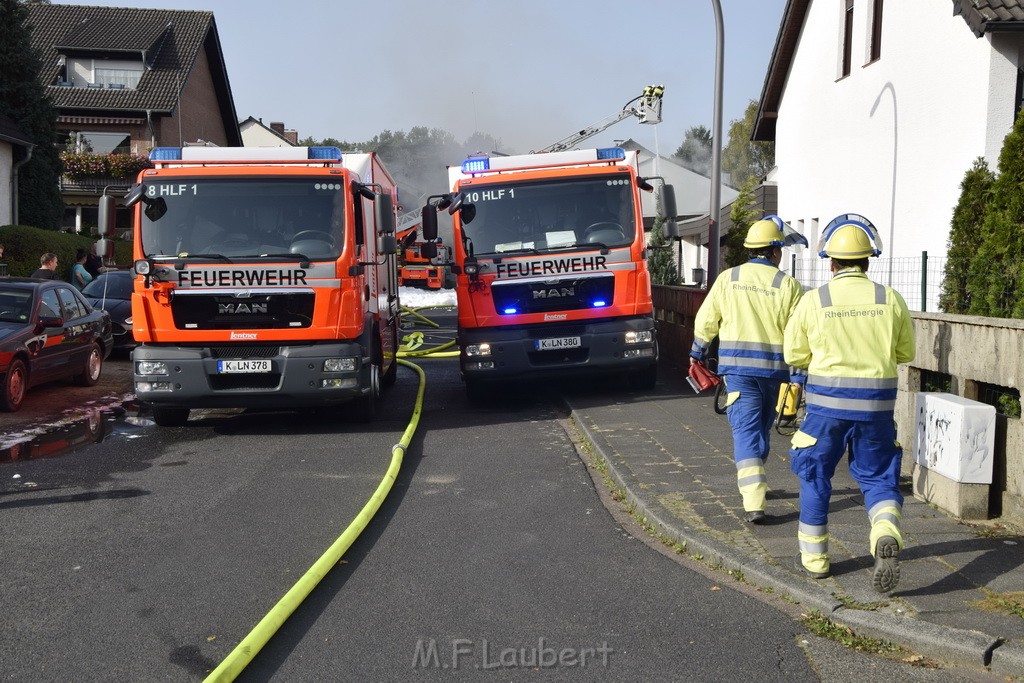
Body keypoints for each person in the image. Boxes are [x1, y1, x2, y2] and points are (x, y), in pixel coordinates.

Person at [784, 214, 915, 593]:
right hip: (876, 410)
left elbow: (794, 352)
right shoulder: (889, 298)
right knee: (878, 478)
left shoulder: (815, 300)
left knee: (814, 475)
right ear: (868, 261)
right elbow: (905, 350)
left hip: (826, 410)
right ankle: (884, 534)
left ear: (831, 262)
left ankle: (815, 559)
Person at [690, 216, 805, 524]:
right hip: (775, 374)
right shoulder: (788, 286)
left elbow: (706, 319)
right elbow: (798, 335)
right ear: (776, 252)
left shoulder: (728, 278)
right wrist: (798, 375)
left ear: (751, 249)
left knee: (745, 431)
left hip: (738, 371)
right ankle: (757, 485)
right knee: (762, 429)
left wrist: (697, 352)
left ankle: (753, 498)